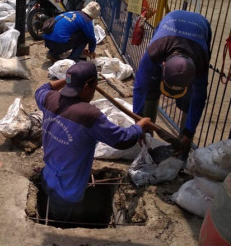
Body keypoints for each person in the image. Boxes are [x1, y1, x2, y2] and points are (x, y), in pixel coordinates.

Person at [35, 61, 155, 225]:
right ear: (86, 88)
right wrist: (140, 126)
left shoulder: (50, 99)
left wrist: (71, 81)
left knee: (57, 216)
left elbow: (43, 88)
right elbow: (122, 139)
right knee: (65, 230)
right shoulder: (89, 115)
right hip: (68, 192)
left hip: (48, 178)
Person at [133, 10, 212, 152]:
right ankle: (148, 134)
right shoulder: (155, 51)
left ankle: (182, 147)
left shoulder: (201, 63)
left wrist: (189, 132)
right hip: (170, 22)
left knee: (189, 100)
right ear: (163, 65)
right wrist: (138, 122)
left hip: (201, 27)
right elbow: (140, 87)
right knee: (151, 86)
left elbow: (199, 98)